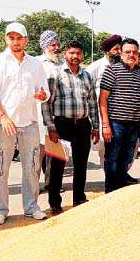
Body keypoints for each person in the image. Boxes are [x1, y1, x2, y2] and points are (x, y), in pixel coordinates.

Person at [0, 22, 49, 224]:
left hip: (29, 123)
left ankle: (31, 207)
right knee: (0, 169)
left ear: (26, 40)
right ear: (6, 39)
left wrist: (42, 95)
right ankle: (0, 210)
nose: (15, 42)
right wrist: (3, 116)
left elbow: (44, 91)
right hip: (2, 124)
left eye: (19, 38)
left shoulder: (35, 64)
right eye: (11, 38)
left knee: (31, 168)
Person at [41, 41, 99, 214]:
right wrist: (51, 127)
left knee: (81, 164)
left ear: (82, 55)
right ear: (65, 54)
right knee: (57, 165)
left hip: (83, 125)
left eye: (78, 53)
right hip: (61, 125)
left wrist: (95, 126)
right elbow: (46, 103)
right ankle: (55, 203)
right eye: (71, 53)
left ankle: (79, 198)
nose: (75, 56)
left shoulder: (87, 76)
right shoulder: (55, 74)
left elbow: (92, 103)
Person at [99, 38, 140, 193]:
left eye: (134, 52)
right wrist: (106, 125)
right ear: (121, 53)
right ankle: (110, 192)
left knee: (126, 158)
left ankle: (120, 192)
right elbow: (103, 100)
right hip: (115, 124)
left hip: (133, 125)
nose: (131, 55)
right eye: (128, 52)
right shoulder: (112, 71)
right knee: (112, 159)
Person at [86, 34, 122, 169]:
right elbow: (85, 86)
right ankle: (109, 176)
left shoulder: (123, 65)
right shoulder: (97, 66)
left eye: (120, 49)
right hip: (102, 114)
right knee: (105, 149)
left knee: (122, 149)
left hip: (120, 114)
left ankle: (120, 174)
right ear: (107, 51)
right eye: (116, 49)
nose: (119, 52)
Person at [36, 30, 62, 191]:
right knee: (37, 152)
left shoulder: (62, 64)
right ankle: (33, 185)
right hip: (38, 114)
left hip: (58, 114)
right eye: (53, 45)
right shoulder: (36, 63)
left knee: (54, 150)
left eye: (58, 44)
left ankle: (52, 184)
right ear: (45, 46)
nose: (56, 48)